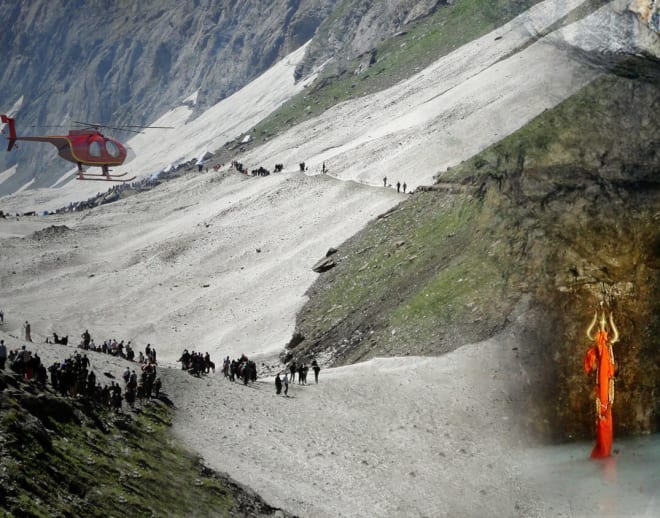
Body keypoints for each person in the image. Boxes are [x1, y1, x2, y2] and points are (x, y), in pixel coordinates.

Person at [584, 307, 620, 458]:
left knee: (606, 410)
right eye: (602, 324)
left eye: (603, 325)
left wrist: (610, 321)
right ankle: (603, 448)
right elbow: (592, 361)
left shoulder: (608, 344)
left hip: (606, 379)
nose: (603, 326)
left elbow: (612, 364)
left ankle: (605, 448)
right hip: (601, 379)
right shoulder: (599, 343)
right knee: (602, 412)